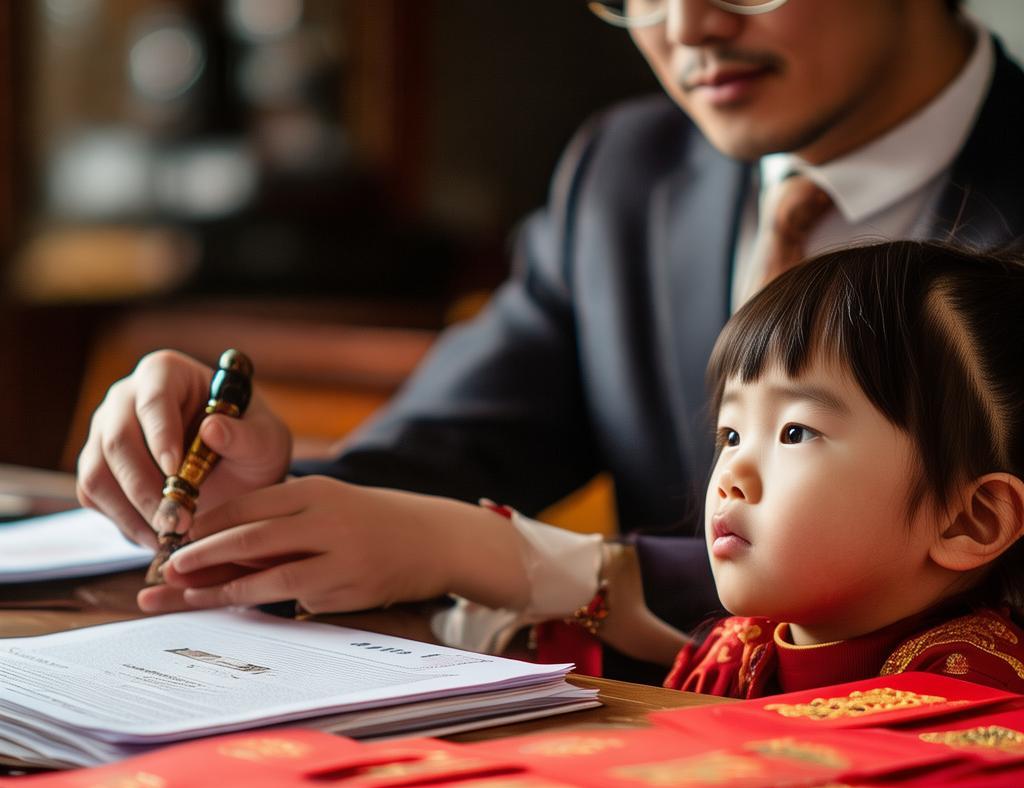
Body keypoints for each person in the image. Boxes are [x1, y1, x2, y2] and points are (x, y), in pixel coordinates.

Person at [77, 1, 1024, 662]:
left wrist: (533, 565)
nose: (686, 26)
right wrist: (256, 486)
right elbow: (445, 460)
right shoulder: (628, 172)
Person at [151, 241, 1024, 701]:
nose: (731, 476)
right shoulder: (736, 649)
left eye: (794, 433)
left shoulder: (967, 691)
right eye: (729, 434)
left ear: (970, 520)